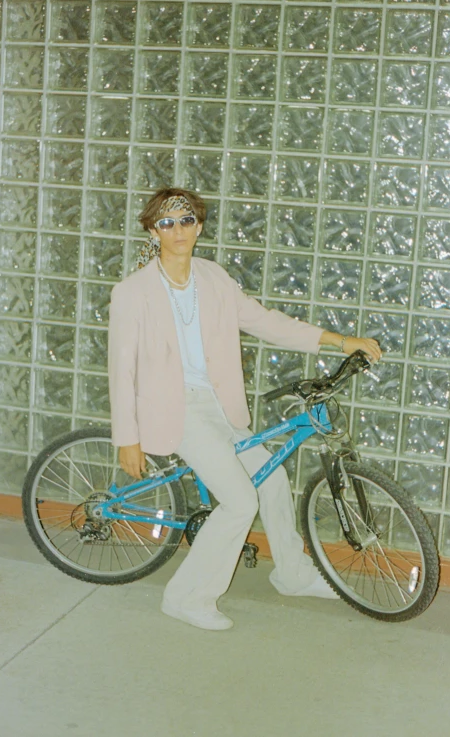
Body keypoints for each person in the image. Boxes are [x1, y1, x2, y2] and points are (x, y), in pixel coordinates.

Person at [108, 188, 382, 631]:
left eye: (186, 221)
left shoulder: (213, 278)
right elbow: (121, 371)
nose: (178, 231)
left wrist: (339, 341)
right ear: (152, 230)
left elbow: (265, 321)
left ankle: (291, 574)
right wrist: (128, 438)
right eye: (167, 222)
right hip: (176, 411)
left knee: (271, 479)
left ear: (199, 226)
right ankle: (186, 597)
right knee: (238, 501)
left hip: (221, 405)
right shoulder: (132, 293)